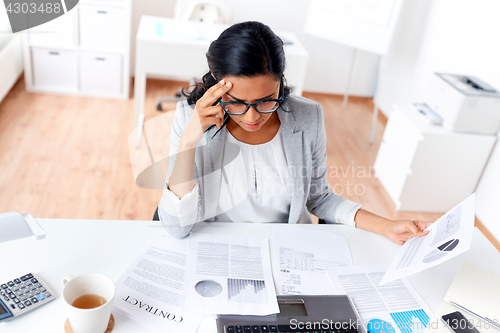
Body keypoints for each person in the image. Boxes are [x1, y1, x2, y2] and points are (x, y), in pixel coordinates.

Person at [157, 21, 432, 244]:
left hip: (286, 249)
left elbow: (318, 197)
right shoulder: (189, 119)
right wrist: (189, 140)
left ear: (281, 81)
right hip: (217, 249)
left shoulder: (307, 116)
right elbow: (176, 228)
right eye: (238, 102)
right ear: (218, 84)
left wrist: (387, 227)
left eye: (266, 99)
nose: (252, 117)